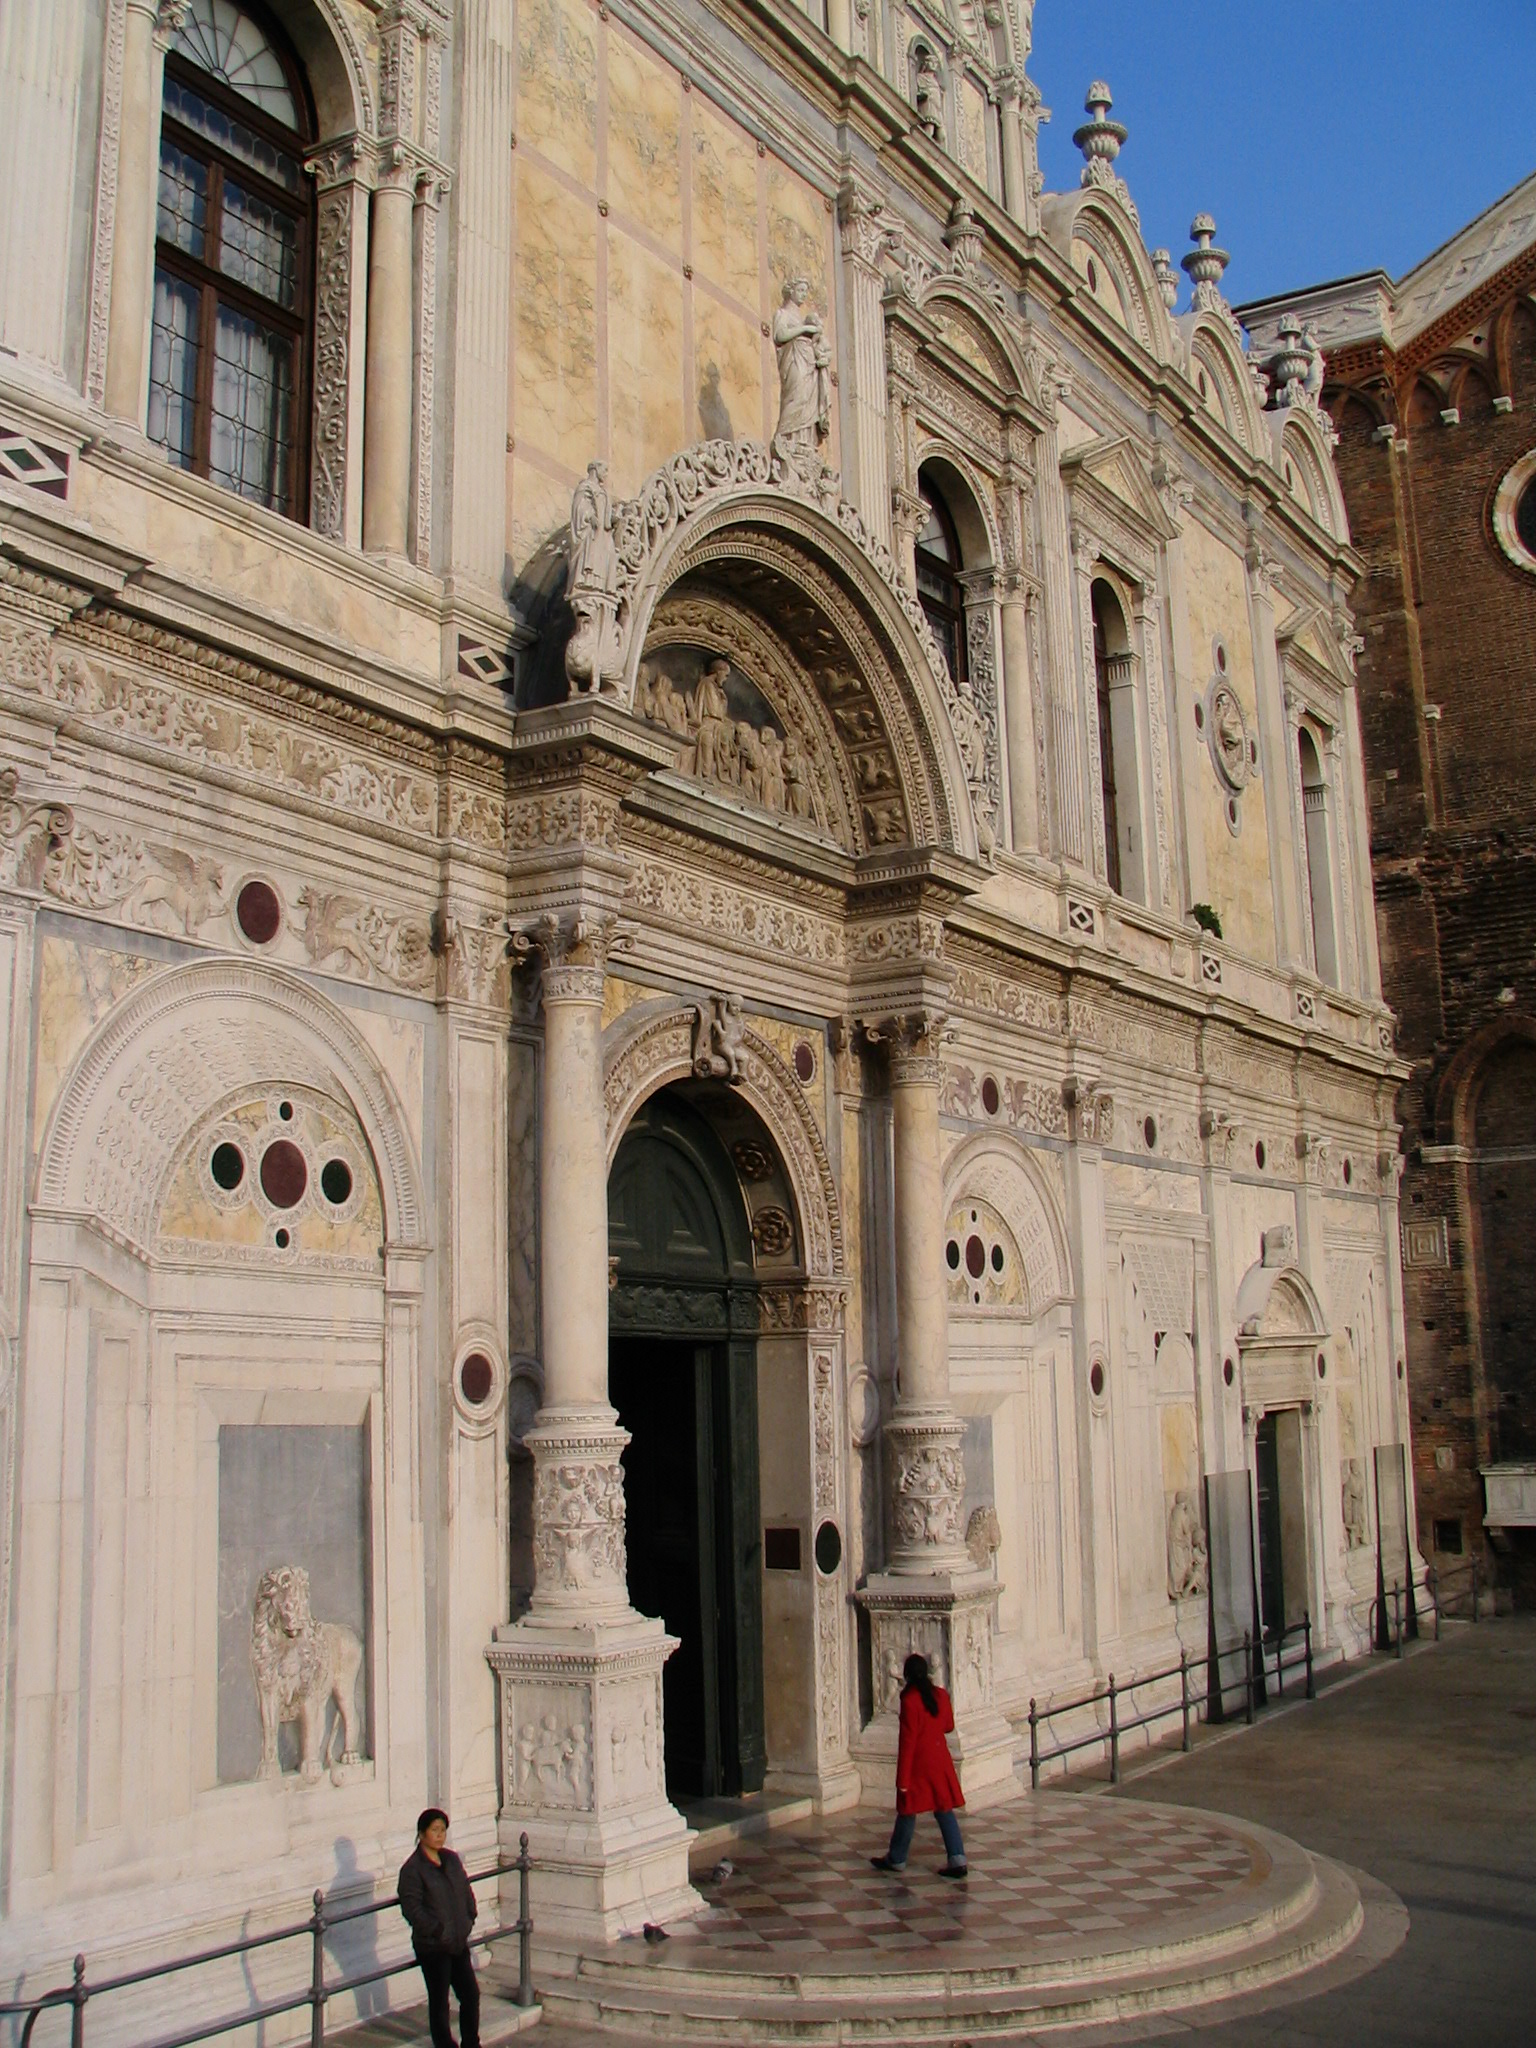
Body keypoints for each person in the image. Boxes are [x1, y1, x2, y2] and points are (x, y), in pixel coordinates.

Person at [871, 1653, 968, 1879]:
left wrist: (902, 1781)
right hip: (940, 1760)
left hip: (919, 1764)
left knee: (907, 1810)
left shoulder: (910, 1700)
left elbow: (908, 1742)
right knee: (944, 1808)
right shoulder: (940, 1695)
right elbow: (948, 1726)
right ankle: (958, 1858)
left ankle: (897, 1857)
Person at [398, 1808, 481, 2048]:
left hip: (457, 1941)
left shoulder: (451, 1859)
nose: (439, 1835)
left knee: (470, 1994)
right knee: (439, 2001)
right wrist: (436, 1930)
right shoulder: (412, 1869)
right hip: (433, 1946)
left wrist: (469, 1916)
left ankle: (471, 2043)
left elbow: (465, 1890)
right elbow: (412, 1908)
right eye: (434, 1830)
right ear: (421, 1833)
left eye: (443, 1830)